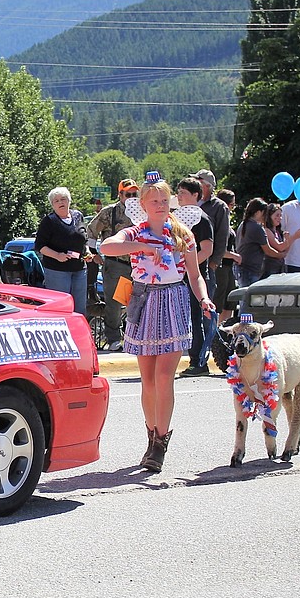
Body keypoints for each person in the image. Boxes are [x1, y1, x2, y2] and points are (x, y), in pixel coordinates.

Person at [99, 172, 214, 472]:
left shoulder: (182, 234)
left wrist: (203, 299)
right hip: (143, 300)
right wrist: (142, 248)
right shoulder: (135, 233)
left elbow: (195, 275)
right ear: (144, 204)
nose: (161, 205)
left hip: (173, 301)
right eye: (155, 201)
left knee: (164, 377)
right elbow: (107, 247)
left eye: (165, 200)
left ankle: (161, 441)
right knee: (147, 380)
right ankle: (151, 435)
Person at [87, 178, 139, 351]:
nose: (132, 197)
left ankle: (135, 337)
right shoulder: (110, 212)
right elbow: (91, 230)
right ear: (120, 194)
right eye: (128, 194)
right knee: (115, 304)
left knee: (138, 303)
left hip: (139, 265)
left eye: (134, 194)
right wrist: (94, 253)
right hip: (116, 264)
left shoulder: (143, 211)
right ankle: (113, 339)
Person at [189, 169, 229, 372]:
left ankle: (208, 355)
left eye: (199, 181)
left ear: (208, 186)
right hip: (189, 267)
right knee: (195, 316)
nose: (196, 183)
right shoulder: (188, 207)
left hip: (206, 267)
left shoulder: (218, 207)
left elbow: (221, 237)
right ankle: (197, 356)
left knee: (206, 314)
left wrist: (214, 262)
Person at [175, 177, 215, 378]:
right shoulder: (176, 218)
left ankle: (199, 361)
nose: (179, 196)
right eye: (178, 192)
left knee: (196, 318)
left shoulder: (202, 219)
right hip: (177, 277)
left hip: (195, 276)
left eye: (183, 192)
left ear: (196, 195)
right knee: (183, 318)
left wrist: (187, 266)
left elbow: (207, 250)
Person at [35, 186, 90, 316]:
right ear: (52, 205)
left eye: (63, 199)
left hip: (79, 269)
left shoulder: (78, 216)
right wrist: (57, 255)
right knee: (60, 308)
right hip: (57, 271)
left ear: (69, 201)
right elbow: (40, 246)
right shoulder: (49, 221)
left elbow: (84, 239)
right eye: (56, 201)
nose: (61, 203)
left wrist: (87, 251)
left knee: (79, 309)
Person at [214, 189, 240, 323]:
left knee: (230, 301)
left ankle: (225, 328)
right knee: (219, 300)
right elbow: (219, 248)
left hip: (229, 268)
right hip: (221, 266)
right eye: (232, 205)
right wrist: (235, 256)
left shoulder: (228, 221)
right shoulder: (218, 221)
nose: (233, 208)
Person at [235, 198, 269, 295]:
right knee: (249, 301)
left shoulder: (243, 224)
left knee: (244, 300)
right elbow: (268, 250)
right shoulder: (256, 228)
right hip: (251, 270)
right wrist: (282, 254)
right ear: (259, 212)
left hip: (242, 268)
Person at [260, 202, 297, 278]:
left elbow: (284, 251)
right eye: (277, 215)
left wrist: (287, 240)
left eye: (280, 216)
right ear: (269, 216)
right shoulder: (267, 231)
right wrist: (294, 237)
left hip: (280, 268)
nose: (279, 218)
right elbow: (280, 247)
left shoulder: (277, 232)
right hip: (270, 270)